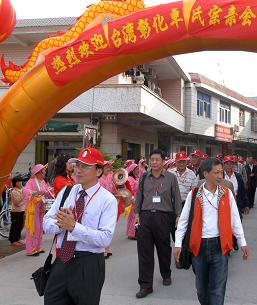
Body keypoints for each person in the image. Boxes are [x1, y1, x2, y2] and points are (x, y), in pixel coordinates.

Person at [43, 147, 118, 305]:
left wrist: (74, 227)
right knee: (51, 300)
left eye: (85, 166)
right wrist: (61, 224)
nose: (78, 170)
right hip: (62, 259)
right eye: (77, 165)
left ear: (98, 171)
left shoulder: (108, 200)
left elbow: (105, 239)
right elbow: (46, 221)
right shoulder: (66, 192)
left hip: (89, 264)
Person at [175, 158, 249, 305]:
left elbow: (235, 219)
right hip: (199, 247)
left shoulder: (227, 193)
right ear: (206, 174)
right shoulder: (195, 194)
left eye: (221, 172)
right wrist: (178, 244)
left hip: (220, 247)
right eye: (216, 173)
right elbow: (183, 221)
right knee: (201, 289)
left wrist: (242, 242)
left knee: (217, 289)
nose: (220, 176)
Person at [134, 149, 182, 298]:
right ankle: (145, 285)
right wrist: (137, 214)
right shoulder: (144, 177)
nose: (154, 162)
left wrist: (178, 215)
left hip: (164, 216)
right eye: (152, 160)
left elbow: (177, 197)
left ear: (163, 162)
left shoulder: (171, 178)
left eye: (157, 160)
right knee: (144, 252)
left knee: (164, 248)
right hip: (146, 216)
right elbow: (139, 196)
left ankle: (166, 273)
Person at [23, 164, 52, 256]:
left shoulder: (42, 181)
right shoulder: (31, 181)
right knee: (33, 228)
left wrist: (51, 191)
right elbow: (25, 191)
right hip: (33, 209)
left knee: (39, 228)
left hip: (41, 207)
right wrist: (35, 193)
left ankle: (37, 247)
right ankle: (30, 250)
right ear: (39, 172)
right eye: (44, 170)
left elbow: (47, 191)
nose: (45, 172)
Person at [8, 175, 25, 247]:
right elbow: (17, 203)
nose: (21, 183)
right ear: (16, 183)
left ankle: (17, 239)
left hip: (21, 211)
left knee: (20, 225)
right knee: (15, 226)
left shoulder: (21, 190)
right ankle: (13, 240)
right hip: (15, 212)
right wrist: (23, 195)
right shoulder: (14, 191)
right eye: (20, 181)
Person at [126, 163, 140, 239]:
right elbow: (129, 189)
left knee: (134, 216)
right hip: (133, 199)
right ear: (132, 170)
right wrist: (132, 198)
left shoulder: (136, 178)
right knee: (133, 216)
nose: (138, 171)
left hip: (137, 198)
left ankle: (131, 233)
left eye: (138, 169)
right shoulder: (130, 179)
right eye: (136, 169)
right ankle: (132, 234)